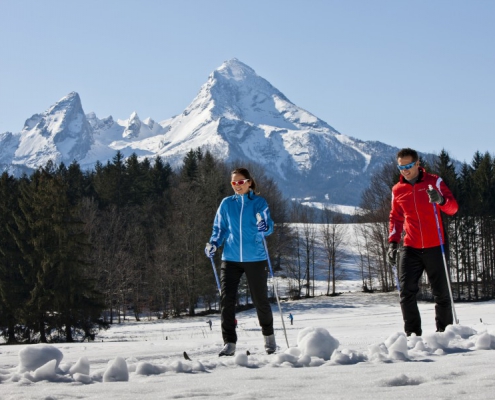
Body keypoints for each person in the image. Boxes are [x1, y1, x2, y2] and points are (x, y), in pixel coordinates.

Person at [205, 167, 276, 356]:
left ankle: (269, 340)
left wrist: (265, 226)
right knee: (226, 301)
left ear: (249, 182)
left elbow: (268, 225)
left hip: (256, 258)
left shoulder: (259, 203)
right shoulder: (227, 204)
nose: (237, 186)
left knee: (260, 301)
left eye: (241, 182)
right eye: (234, 183)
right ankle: (229, 343)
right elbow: (219, 229)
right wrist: (213, 243)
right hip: (230, 258)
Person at [388, 148, 459, 336]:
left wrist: (441, 199)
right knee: (406, 293)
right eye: (401, 167)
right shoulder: (398, 189)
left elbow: (453, 208)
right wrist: (393, 243)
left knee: (441, 294)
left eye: (409, 166)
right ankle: (412, 336)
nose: (405, 170)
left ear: (418, 164)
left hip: (436, 245)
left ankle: (444, 334)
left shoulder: (434, 182)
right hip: (410, 247)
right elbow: (395, 218)